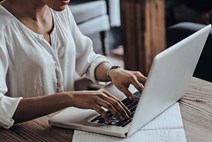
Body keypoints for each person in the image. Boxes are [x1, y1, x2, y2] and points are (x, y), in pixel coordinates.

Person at [0, 0, 146, 129]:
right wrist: (70, 98)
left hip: (64, 124)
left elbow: (87, 58)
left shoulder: (58, 10)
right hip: (25, 132)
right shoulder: (3, 27)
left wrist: (112, 71)